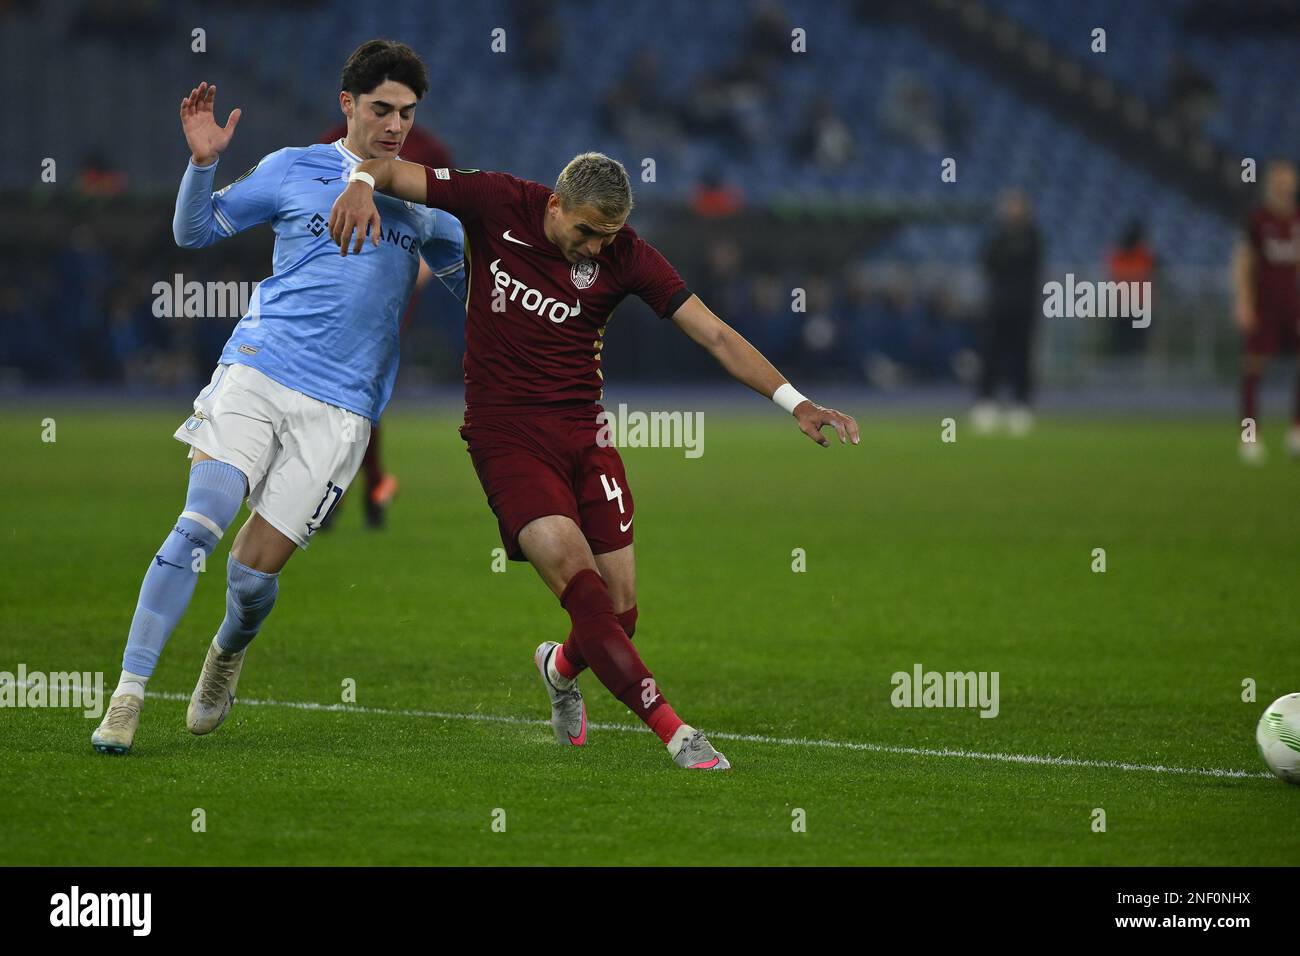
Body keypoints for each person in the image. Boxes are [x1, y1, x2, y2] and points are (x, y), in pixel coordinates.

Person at [329, 151, 859, 771]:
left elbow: (713, 333)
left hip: (585, 437)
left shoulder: (626, 254)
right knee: (583, 589)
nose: (595, 250)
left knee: (621, 612)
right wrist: (362, 184)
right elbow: (390, 168)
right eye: (585, 232)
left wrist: (794, 402)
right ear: (555, 206)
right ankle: (675, 732)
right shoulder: (496, 200)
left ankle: (558, 667)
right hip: (506, 437)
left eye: (607, 236)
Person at [91, 40, 466, 755]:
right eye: (382, 109)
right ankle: (127, 697)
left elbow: (477, 294)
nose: (395, 125)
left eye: (408, 113)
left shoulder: (425, 198)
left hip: (344, 409)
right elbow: (194, 231)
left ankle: (226, 653)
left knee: (250, 575)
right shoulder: (294, 167)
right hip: (258, 371)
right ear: (347, 105)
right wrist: (203, 166)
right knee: (200, 523)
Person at [1233, 158, 1300, 463]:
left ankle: (1297, 431)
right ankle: (1249, 436)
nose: (1284, 185)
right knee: (1253, 369)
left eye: (1288, 179)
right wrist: (1244, 301)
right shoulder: (1258, 220)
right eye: (1278, 180)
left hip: (1293, 304)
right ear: (1269, 183)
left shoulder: (1297, 220)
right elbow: (1244, 261)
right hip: (1264, 306)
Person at [972, 189, 1042, 436]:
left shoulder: (1032, 237)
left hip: (1023, 308)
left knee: (1021, 357)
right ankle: (986, 403)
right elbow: (988, 262)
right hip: (998, 307)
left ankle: (1021, 404)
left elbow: (1027, 263)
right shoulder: (998, 237)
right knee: (991, 355)